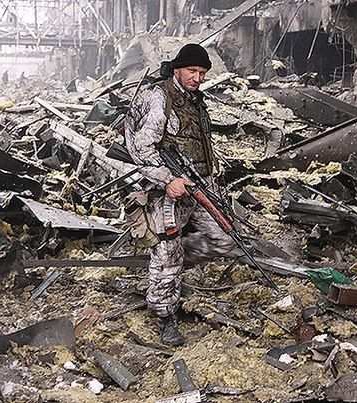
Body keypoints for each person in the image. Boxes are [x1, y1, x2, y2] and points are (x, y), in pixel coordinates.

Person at [124, 44, 237, 346]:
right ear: (177, 69)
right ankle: (165, 317)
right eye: (192, 71)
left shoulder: (195, 100)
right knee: (167, 253)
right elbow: (141, 148)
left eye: (202, 73)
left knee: (224, 238)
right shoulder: (160, 97)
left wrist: (212, 182)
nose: (198, 78)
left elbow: (200, 145)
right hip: (168, 190)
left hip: (199, 186)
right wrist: (167, 180)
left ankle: (166, 263)